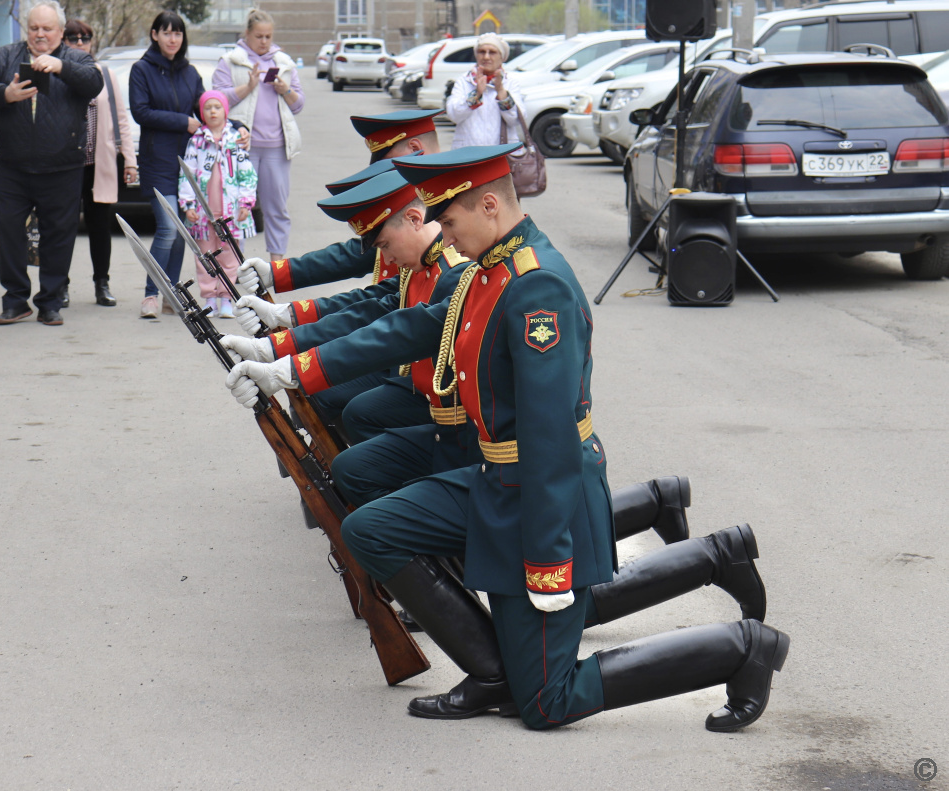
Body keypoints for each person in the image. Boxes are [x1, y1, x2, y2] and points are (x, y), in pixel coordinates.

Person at [226, 144, 789, 731]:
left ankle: (741, 648)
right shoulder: (486, 270)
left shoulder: (535, 287)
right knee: (371, 528)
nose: (443, 233)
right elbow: (409, 326)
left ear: (489, 206)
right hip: (495, 479)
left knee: (547, 702)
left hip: (539, 499)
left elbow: (550, 438)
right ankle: (498, 676)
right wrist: (287, 366)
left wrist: (547, 559)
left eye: (449, 220)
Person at [0, 0, 104, 326]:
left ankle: (50, 301)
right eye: (34, 28)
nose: (40, 34)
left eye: (47, 29)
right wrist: (6, 94)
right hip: (12, 167)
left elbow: (93, 84)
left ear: (61, 31)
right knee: (10, 234)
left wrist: (61, 67)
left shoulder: (76, 58)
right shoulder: (5, 56)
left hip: (62, 167)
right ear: (26, 30)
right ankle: (16, 301)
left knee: (58, 236)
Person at [235, 109, 442, 298]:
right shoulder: (422, 200)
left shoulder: (446, 208)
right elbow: (356, 255)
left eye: (390, 165)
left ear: (416, 148)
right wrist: (277, 273)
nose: (384, 176)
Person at [213, 9, 302, 261]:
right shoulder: (230, 61)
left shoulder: (283, 62)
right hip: (242, 147)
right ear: (247, 34)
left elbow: (298, 104)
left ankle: (277, 264)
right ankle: (238, 262)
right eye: (259, 36)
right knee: (238, 206)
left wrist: (285, 90)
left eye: (268, 37)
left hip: (277, 147)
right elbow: (216, 101)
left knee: (277, 208)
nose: (264, 42)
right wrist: (248, 87)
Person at [130, 9, 200, 319]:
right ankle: (151, 294)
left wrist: (237, 126)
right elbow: (141, 112)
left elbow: (207, 108)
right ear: (155, 35)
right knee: (168, 228)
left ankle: (173, 294)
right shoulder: (141, 70)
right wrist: (183, 121)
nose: (173, 38)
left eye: (178, 33)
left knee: (182, 230)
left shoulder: (191, 73)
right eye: (167, 32)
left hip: (187, 165)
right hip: (156, 161)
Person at [63, 18, 137, 308]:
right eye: (72, 38)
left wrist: (129, 160)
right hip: (67, 165)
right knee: (64, 226)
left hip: (100, 163)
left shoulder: (105, 74)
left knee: (99, 225)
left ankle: (101, 283)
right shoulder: (59, 72)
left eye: (84, 38)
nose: (79, 43)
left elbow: (121, 119)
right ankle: (60, 285)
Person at [178, 90, 256, 319]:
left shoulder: (236, 140)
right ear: (202, 112)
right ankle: (209, 299)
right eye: (208, 108)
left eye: (217, 107)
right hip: (203, 212)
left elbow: (247, 174)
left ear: (225, 111)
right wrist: (188, 204)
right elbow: (187, 175)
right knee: (204, 255)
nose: (213, 112)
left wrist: (245, 202)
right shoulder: (196, 141)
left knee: (230, 255)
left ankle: (226, 298)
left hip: (229, 211)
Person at [446, 33, 523, 150]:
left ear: (501, 58)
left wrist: (501, 91)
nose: (486, 57)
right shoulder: (464, 81)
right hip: (468, 154)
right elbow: (454, 115)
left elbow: (515, 120)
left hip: (501, 155)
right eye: (482, 52)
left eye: (492, 52)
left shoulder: (510, 83)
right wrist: (476, 95)